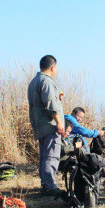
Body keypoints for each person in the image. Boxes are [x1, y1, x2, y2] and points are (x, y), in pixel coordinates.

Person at [27, 55, 66, 195]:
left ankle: (45, 184)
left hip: (40, 125)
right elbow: (51, 105)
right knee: (52, 156)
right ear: (52, 67)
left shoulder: (34, 81)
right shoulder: (47, 82)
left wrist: (58, 98)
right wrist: (59, 123)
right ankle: (50, 186)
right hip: (50, 126)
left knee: (44, 156)